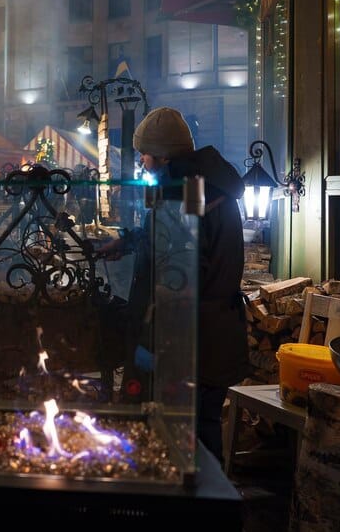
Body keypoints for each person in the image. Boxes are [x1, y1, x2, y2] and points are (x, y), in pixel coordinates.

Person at [114, 107, 248, 462]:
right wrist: (127, 242)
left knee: (185, 445)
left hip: (189, 344)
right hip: (209, 338)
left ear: (162, 155)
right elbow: (174, 242)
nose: (142, 162)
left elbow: (182, 269)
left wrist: (152, 341)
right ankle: (207, 513)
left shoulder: (189, 192)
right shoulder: (203, 186)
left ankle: (196, 515)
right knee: (199, 437)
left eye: (144, 154)